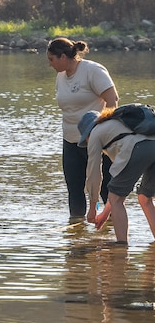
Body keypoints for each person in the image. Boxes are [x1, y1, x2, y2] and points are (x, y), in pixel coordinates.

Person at [48, 37, 118, 219]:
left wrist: (105, 131)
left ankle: (112, 227)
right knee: (74, 188)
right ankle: (77, 233)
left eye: (51, 59)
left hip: (96, 140)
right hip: (70, 141)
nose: (50, 64)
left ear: (63, 56)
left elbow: (113, 100)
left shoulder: (92, 71)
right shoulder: (61, 76)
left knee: (104, 187)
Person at [79, 109, 155, 244]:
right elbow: (117, 188)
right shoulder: (116, 125)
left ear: (87, 133)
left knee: (117, 200)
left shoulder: (96, 134)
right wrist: (104, 213)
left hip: (138, 148)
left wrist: (92, 208)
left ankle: (121, 246)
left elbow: (93, 175)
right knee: (145, 198)